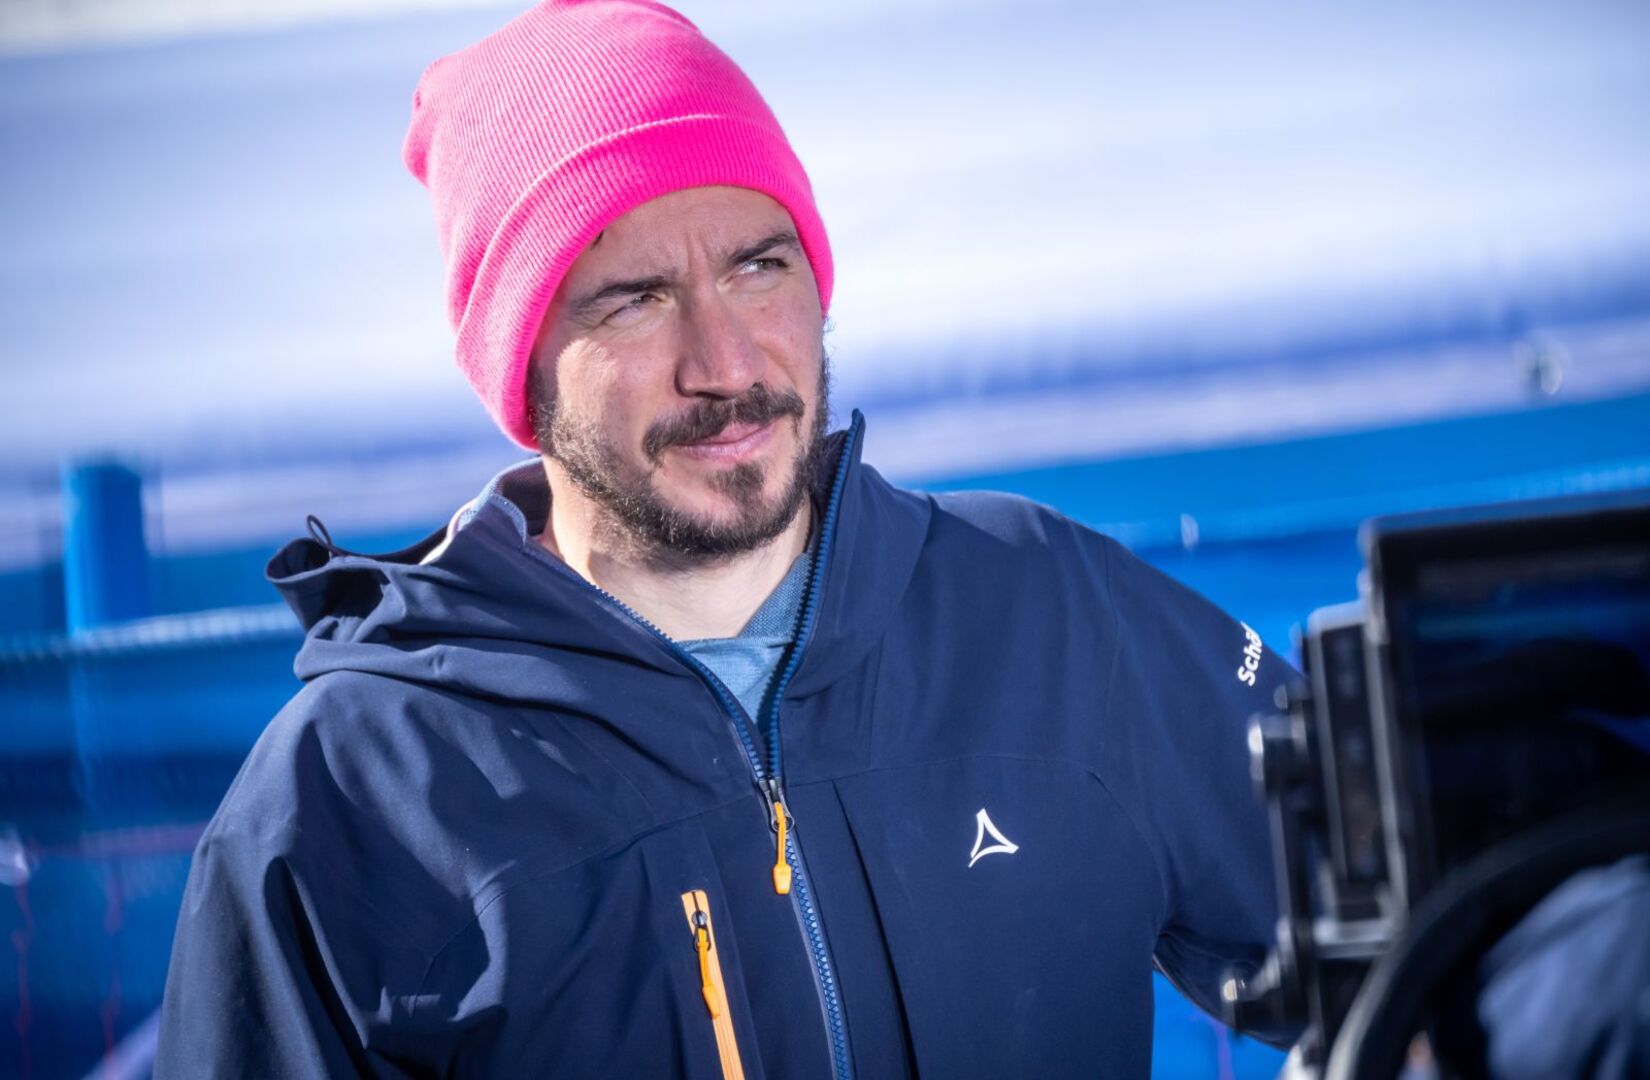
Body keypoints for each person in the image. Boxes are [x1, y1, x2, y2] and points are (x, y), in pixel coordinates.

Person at [155, 1, 1296, 1075]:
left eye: (760, 267)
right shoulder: (354, 798)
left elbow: (1437, 914)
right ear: (522, 363)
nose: (727, 363)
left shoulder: (1042, 610)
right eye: (634, 299)